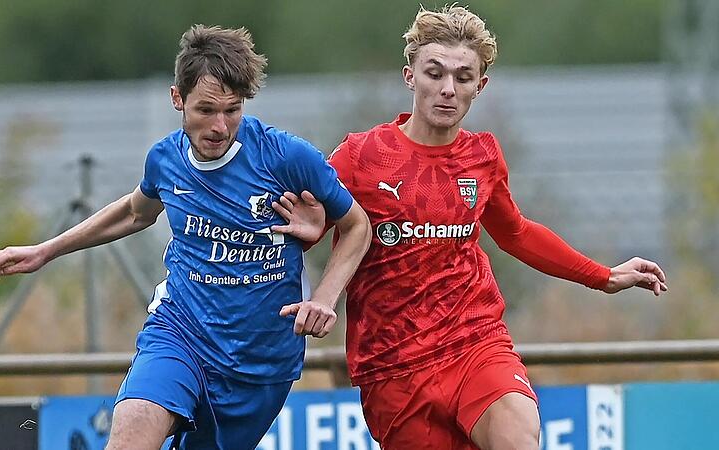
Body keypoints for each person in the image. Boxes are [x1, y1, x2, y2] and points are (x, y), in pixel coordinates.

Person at [272, 6, 667, 450]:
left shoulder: (483, 157)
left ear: (480, 86)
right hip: (394, 366)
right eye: (434, 73)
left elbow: (515, 232)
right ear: (410, 76)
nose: (447, 89)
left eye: (462, 78)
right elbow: (311, 228)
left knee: (518, 431)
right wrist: (311, 234)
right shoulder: (361, 155)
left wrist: (604, 276)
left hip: (475, 341)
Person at [0, 25, 371, 450]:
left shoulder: (286, 157)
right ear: (177, 99)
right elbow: (133, 212)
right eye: (206, 110)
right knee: (132, 430)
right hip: (181, 331)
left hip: (260, 363)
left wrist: (325, 298)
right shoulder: (165, 160)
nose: (220, 126)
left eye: (232, 110)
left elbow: (357, 225)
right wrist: (44, 251)